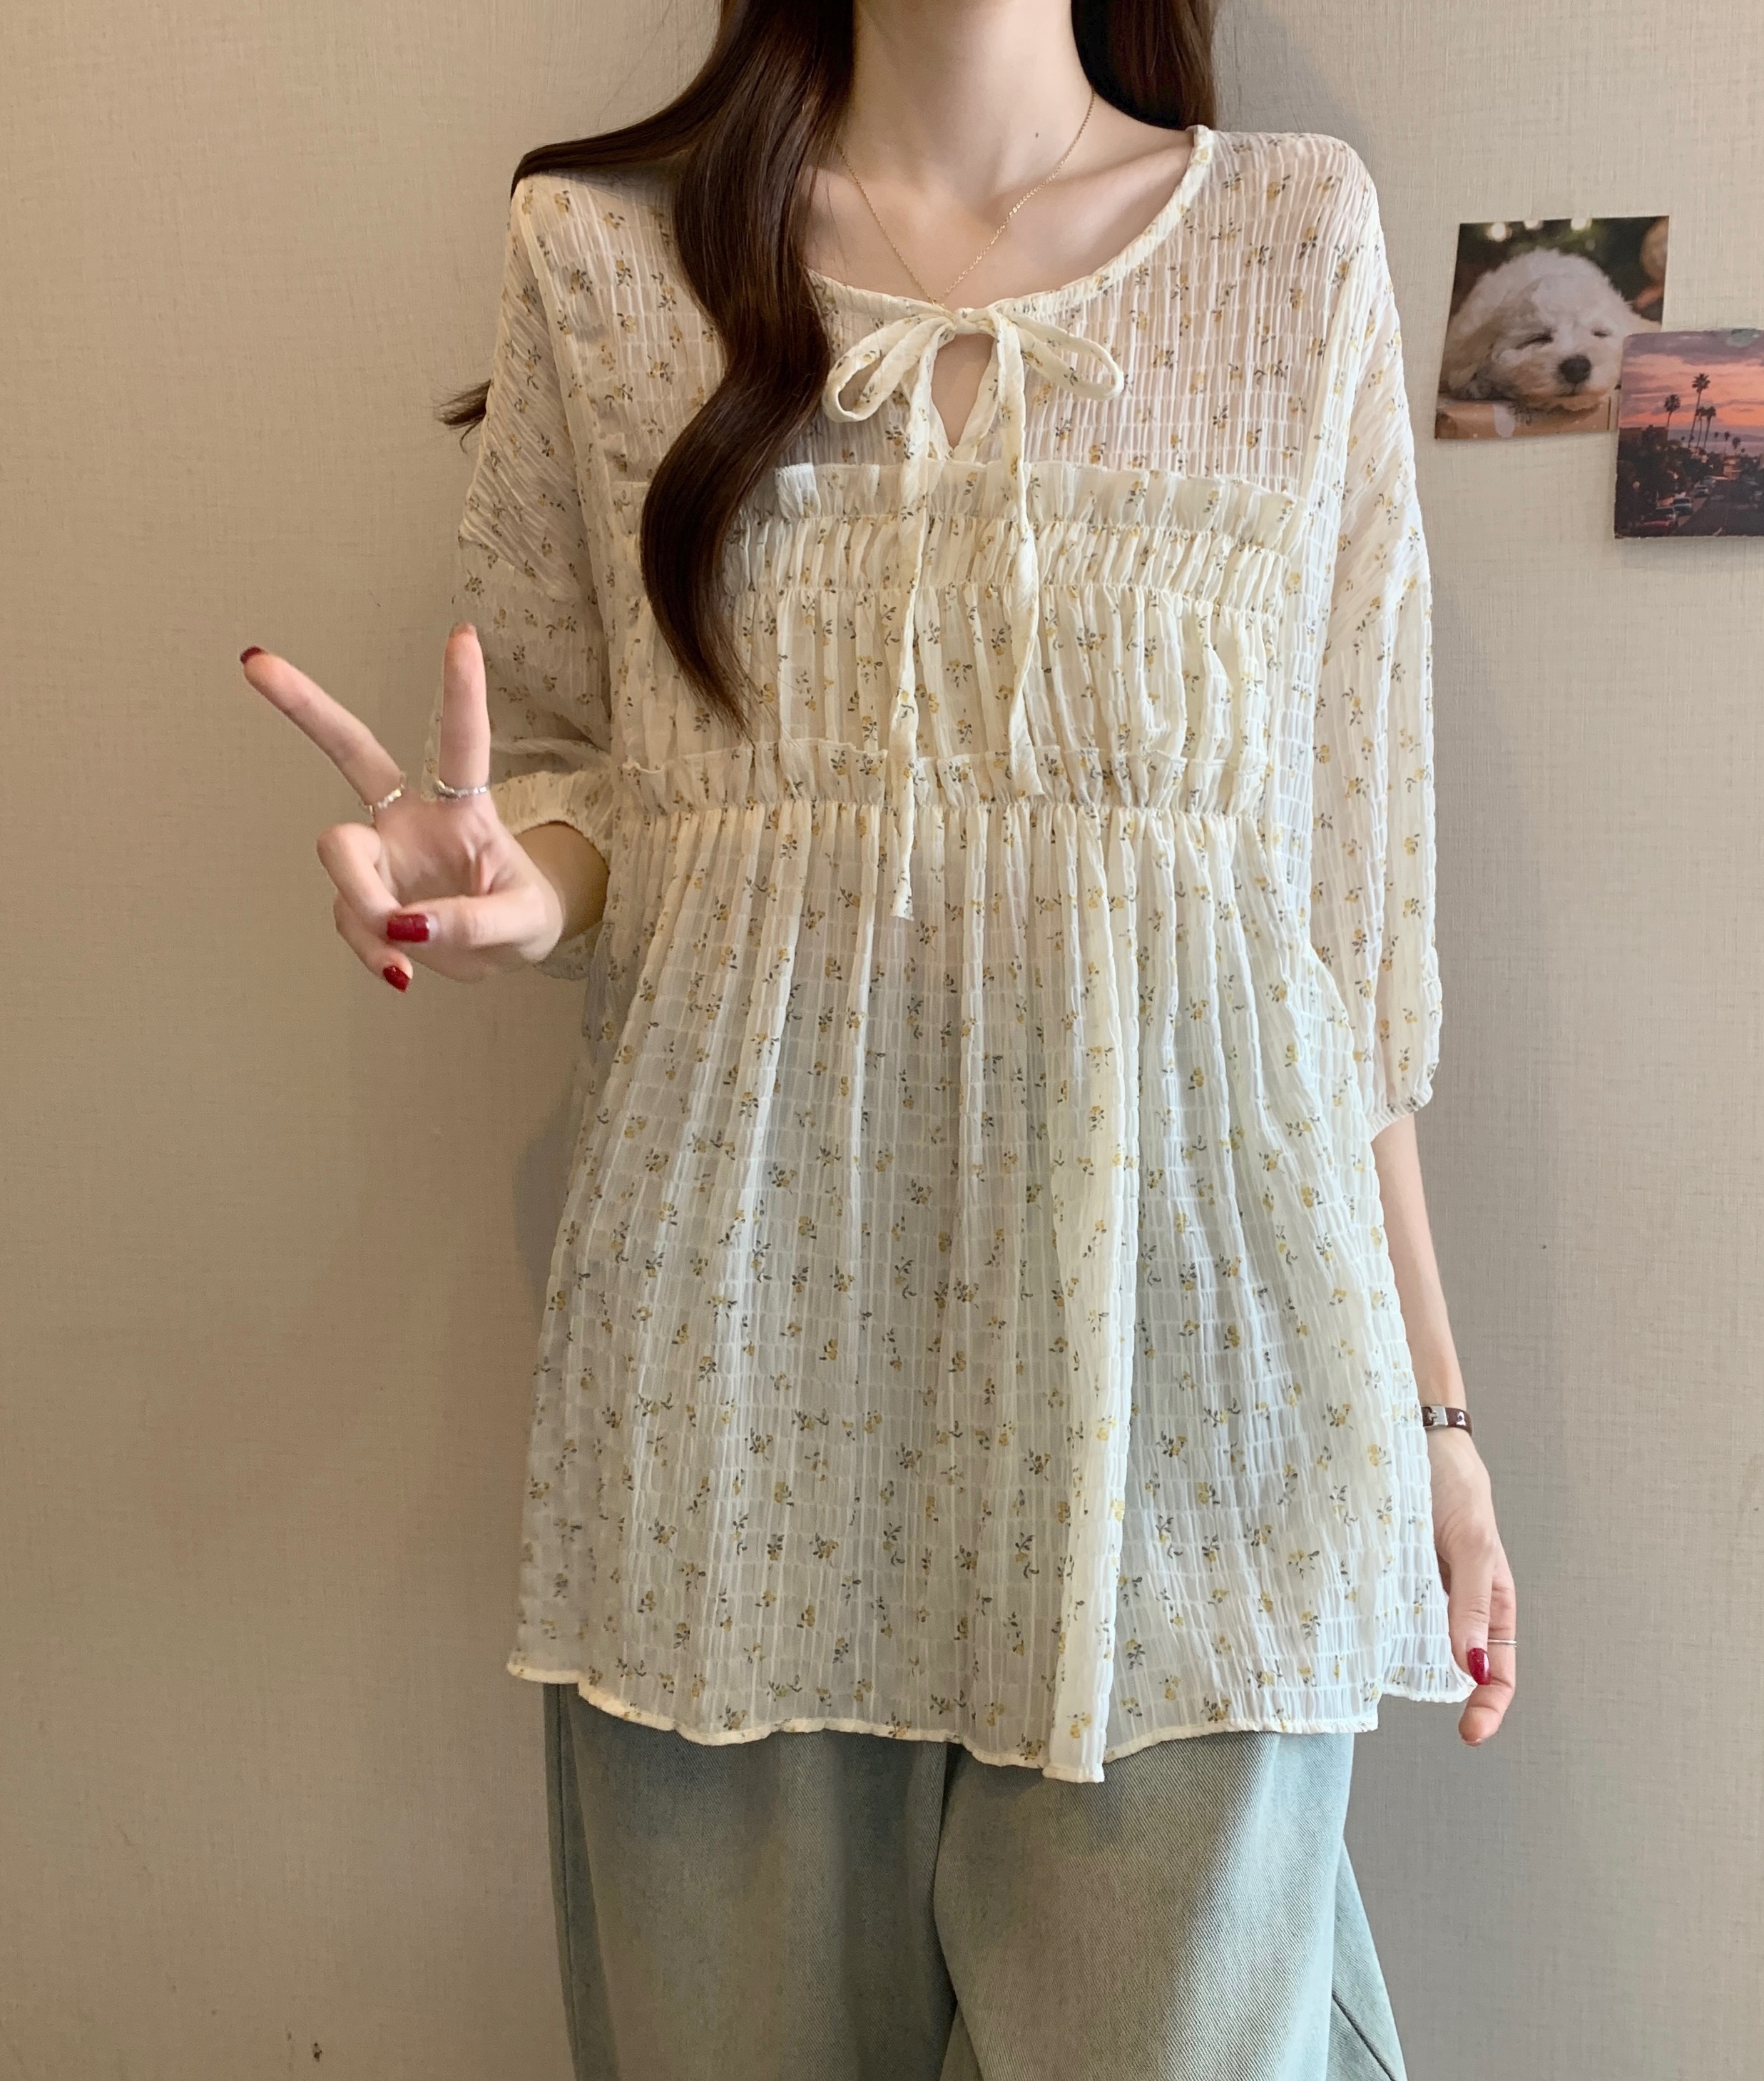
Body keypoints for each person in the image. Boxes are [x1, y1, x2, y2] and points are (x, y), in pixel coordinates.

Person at [241, 0, 1516, 2072]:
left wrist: (1439, 1429)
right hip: (744, 1422)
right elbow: (577, 770)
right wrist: (513, 879)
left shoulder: (1294, 242)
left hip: (1200, 1426)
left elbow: (1338, 932)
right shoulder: (605, 259)